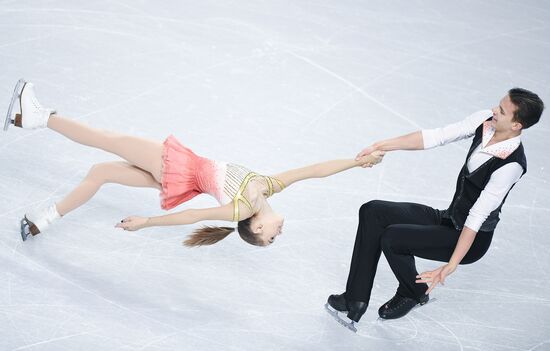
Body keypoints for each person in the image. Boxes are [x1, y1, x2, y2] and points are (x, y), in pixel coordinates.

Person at [4, 79, 384, 246]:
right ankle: (43, 220)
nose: (276, 235)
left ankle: (34, 116)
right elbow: (312, 171)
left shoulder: (241, 205)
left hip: (175, 167)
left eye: (268, 238)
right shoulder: (268, 186)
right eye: (274, 237)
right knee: (100, 173)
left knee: (105, 140)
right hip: (174, 177)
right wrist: (355, 162)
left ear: (254, 223)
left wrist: (148, 222)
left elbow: (189, 218)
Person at [325, 88, 544, 332]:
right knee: (373, 211)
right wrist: (382, 145)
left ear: (516, 125)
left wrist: (451, 265)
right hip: (449, 218)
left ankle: (413, 291)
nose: (494, 110)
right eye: (498, 105)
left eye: (502, 111)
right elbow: (436, 136)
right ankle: (354, 299)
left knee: (393, 237)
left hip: (471, 238)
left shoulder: (511, 165)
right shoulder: (486, 122)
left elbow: (477, 215)